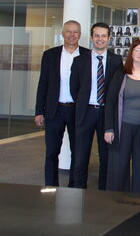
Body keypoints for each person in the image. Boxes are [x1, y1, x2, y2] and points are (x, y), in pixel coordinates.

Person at [70, 22, 123, 190]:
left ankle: (103, 192)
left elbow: (118, 89)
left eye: (103, 36)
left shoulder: (116, 61)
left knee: (106, 156)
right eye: (97, 35)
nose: (100, 39)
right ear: (92, 38)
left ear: (109, 38)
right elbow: (74, 88)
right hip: (85, 112)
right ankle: (78, 191)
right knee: (80, 156)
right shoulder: (79, 60)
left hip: (106, 114)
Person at [35, 20, 86, 187]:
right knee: (51, 152)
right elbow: (43, 84)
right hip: (54, 110)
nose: (72, 34)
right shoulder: (50, 55)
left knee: (77, 153)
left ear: (80, 34)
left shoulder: (87, 55)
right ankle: (50, 186)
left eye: (75, 31)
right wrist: (39, 111)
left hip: (77, 111)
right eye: (68, 31)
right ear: (63, 33)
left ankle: (74, 187)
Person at [104, 39, 140, 193]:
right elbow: (110, 102)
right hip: (122, 127)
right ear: (131, 52)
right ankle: (116, 202)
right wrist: (109, 128)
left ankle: (138, 202)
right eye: (137, 50)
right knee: (119, 166)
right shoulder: (121, 74)